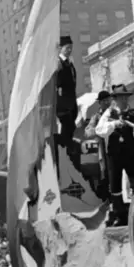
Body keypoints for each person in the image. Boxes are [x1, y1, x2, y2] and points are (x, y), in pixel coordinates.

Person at [96, 84, 134, 225]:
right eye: (120, 98)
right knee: (115, 184)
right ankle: (119, 215)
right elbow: (100, 130)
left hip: (130, 152)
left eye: (125, 97)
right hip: (114, 154)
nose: (123, 100)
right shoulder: (109, 113)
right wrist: (114, 124)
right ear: (115, 99)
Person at [54, 35, 82, 172]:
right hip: (63, 106)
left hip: (71, 104)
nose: (69, 50)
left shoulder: (70, 64)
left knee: (70, 133)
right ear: (60, 48)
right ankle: (65, 157)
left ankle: (70, 154)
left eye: (71, 47)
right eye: (67, 48)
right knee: (65, 135)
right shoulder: (58, 63)